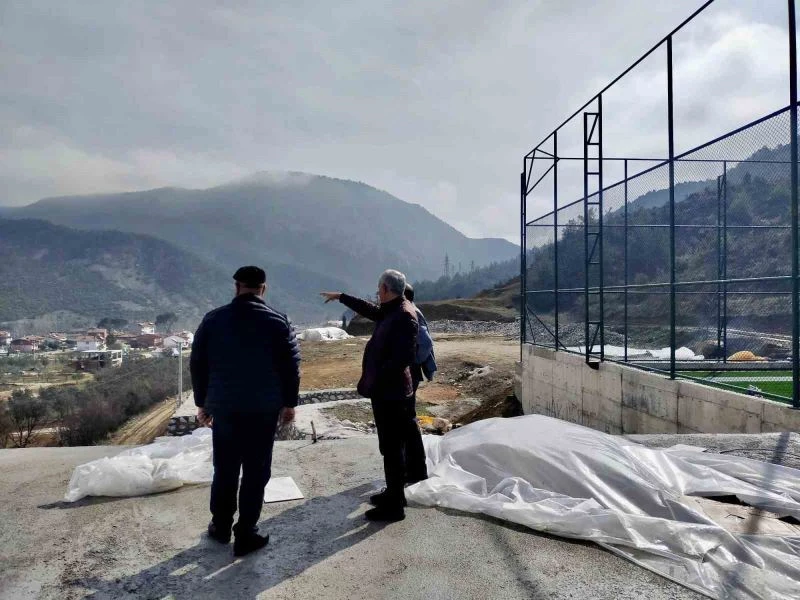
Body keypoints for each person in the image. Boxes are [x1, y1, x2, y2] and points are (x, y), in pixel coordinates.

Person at [191, 266, 300, 556]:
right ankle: (246, 533)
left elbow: (198, 364)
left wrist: (203, 403)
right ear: (263, 288)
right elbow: (291, 368)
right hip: (262, 412)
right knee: (256, 471)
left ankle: (221, 526)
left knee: (225, 469)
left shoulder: (213, 320)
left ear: (237, 286)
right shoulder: (278, 322)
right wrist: (290, 405)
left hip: (225, 410)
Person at [321, 270, 426, 522]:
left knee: (392, 447)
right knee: (388, 446)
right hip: (385, 391)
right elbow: (370, 310)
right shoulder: (391, 310)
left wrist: (378, 376)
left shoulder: (403, 316)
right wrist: (342, 297)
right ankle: (393, 493)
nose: (377, 292)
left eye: (379, 288)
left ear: (387, 289)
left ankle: (395, 505)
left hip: (392, 393)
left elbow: (404, 358)